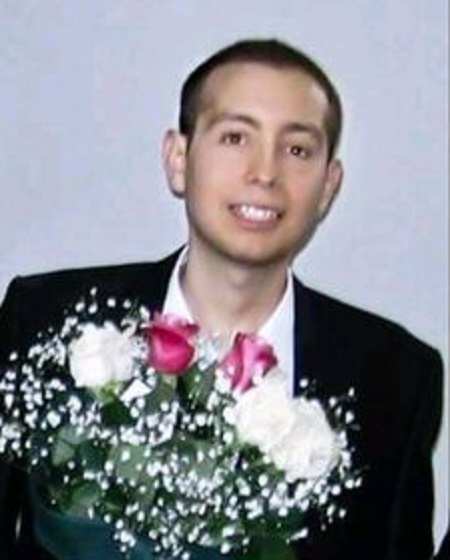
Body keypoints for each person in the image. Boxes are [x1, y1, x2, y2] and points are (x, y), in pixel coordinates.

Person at [0, 38, 443, 560]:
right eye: (235, 137)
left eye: (297, 150)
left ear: (328, 185)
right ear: (178, 158)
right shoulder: (45, 319)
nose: (265, 173)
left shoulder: (395, 376)